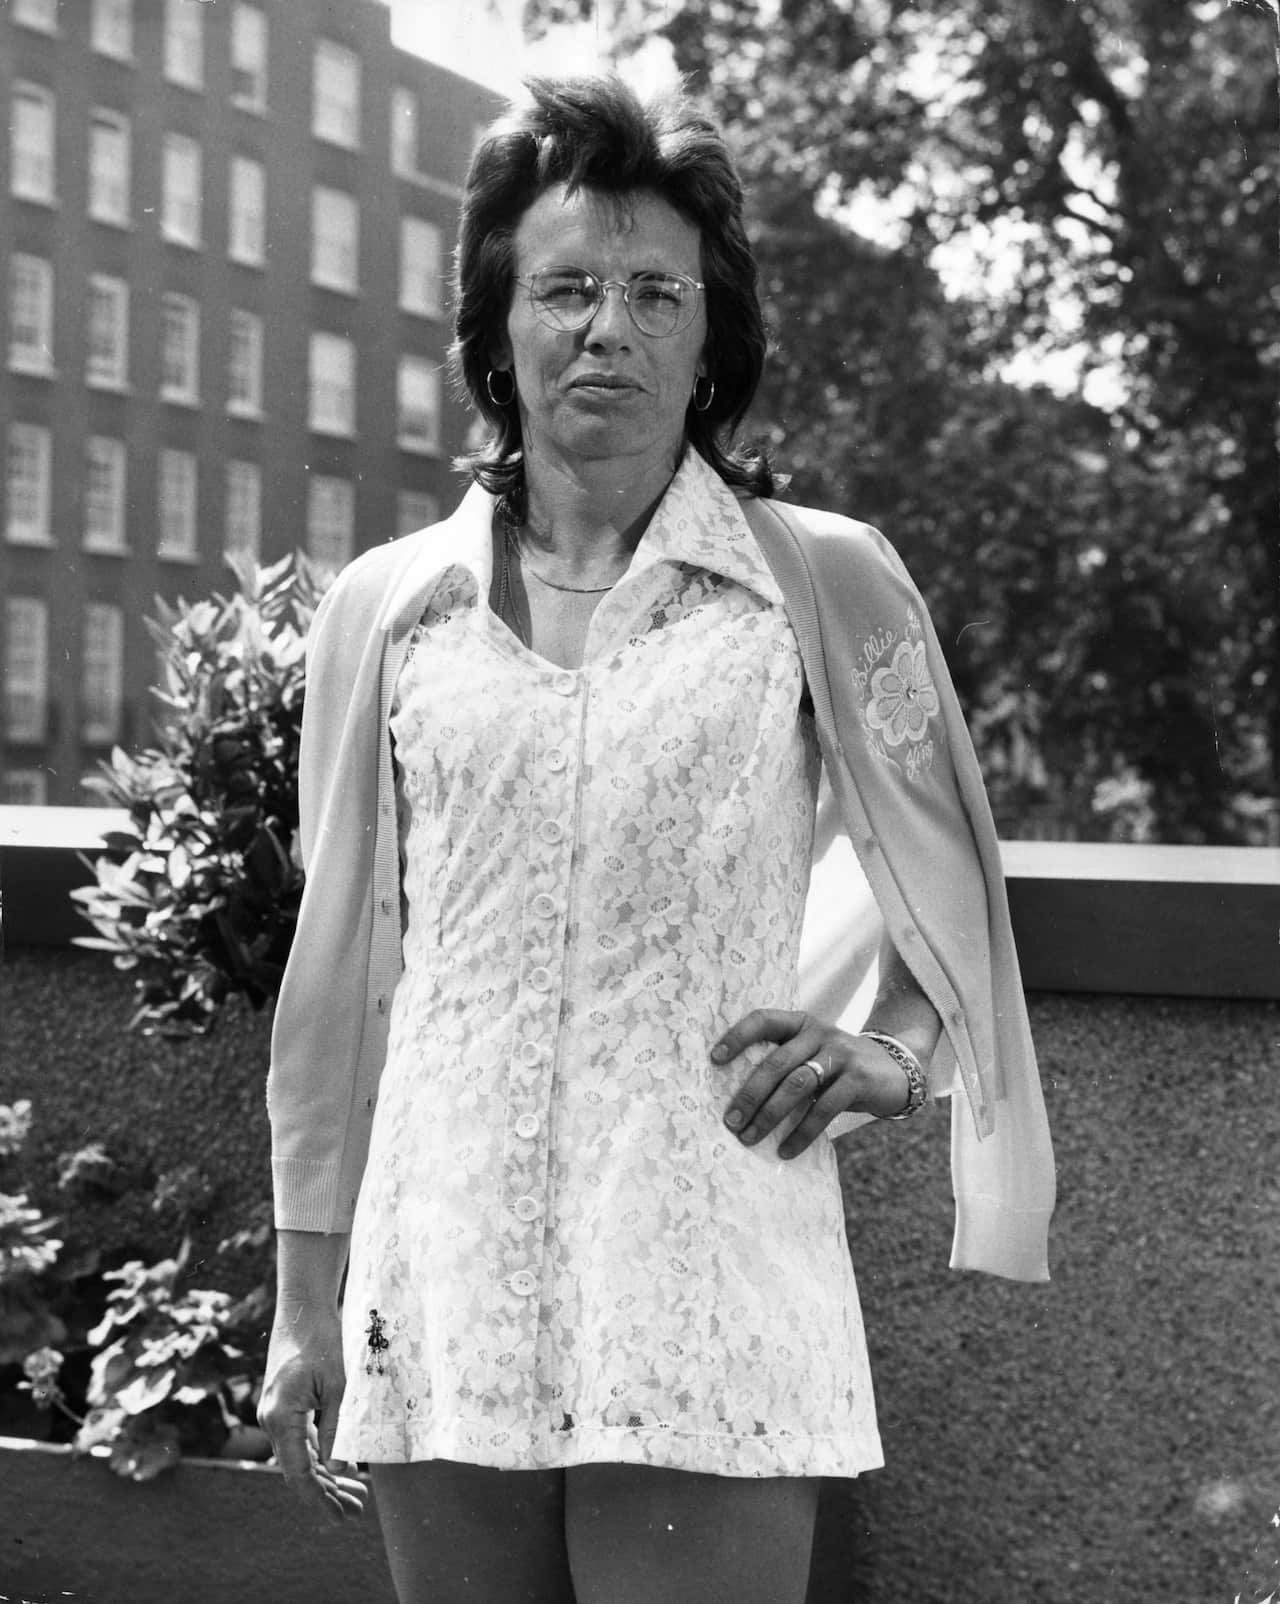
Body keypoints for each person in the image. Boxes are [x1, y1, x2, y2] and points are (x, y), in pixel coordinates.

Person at [258, 75, 1055, 1604]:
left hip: (706, 1263)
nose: (605, 328)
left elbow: (950, 884)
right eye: (562, 288)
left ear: (710, 341)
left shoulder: (820, 579)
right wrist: (307, 1300)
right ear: (498, 329)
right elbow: (338, 974)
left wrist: (900, 1055)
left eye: (652, 293)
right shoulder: (385, 610)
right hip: (446, 1273)